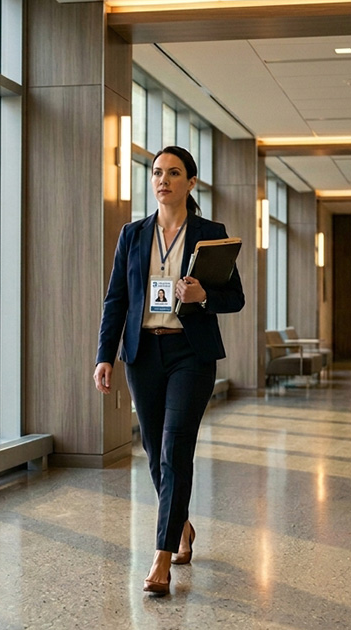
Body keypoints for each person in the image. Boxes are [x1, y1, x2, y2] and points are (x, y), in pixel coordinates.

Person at [93, 146, 245, 597]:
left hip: (189, 353)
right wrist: (104, 355)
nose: (163, 180)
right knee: (154, 448)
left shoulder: (210, 235)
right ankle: (181, 526)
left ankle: (162, 555)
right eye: (158, 172)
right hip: (143, 353)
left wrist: (203, 296)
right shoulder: (133, 234)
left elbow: (234, 298)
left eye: (174, 173)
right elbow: (116, 298)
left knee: (175, 447)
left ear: (191, 183)